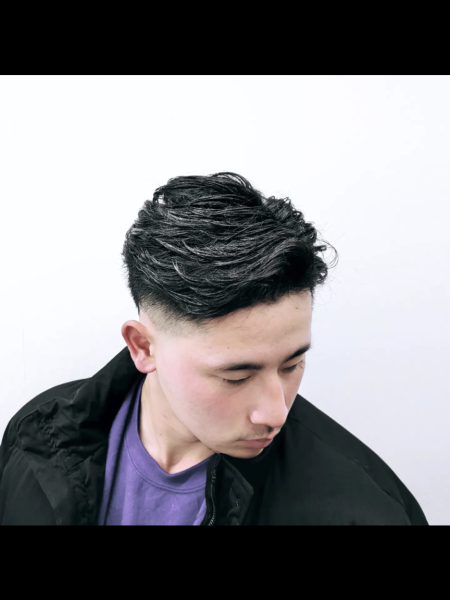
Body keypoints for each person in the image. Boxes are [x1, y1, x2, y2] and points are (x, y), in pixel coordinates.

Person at [0, 172, 428, 525]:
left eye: (292, 364)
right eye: (236, 376)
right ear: (143, 347)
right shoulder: (37, 435)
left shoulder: (363, 510)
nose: (276, 413)